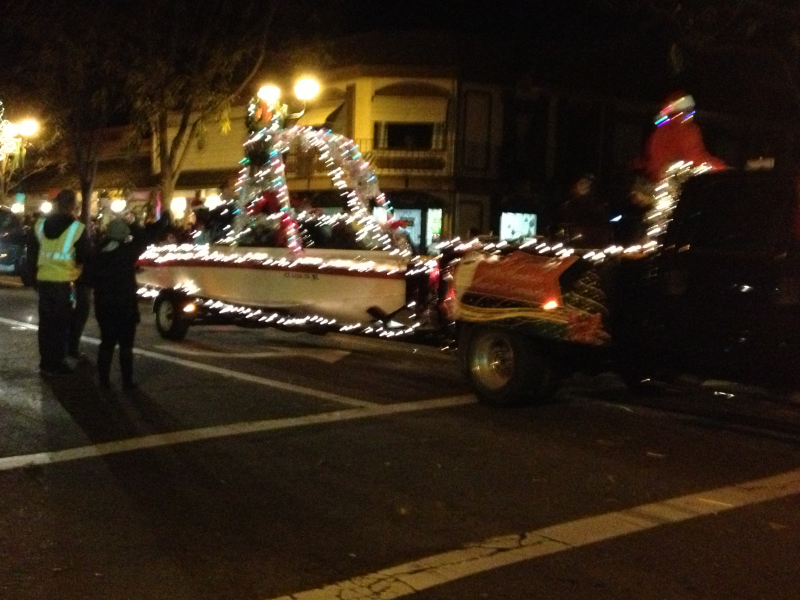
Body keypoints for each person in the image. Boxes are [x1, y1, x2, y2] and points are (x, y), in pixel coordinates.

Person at [82, 214, 169, 390]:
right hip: (125, 305)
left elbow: (87, 280)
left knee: (106, 343)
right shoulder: (127, 251)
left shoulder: (97, 252)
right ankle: (127, 382)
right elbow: (145, 237)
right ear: (123, 234)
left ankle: (104, 381)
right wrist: (134, 223)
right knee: (126, 345)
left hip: (104, 304)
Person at [30, 189, 91, 375]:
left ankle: (46, 363)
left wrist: (34, 280)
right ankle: (57, 363)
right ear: (73, 207)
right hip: (65, 283)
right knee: (61, 325)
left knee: (46, 325)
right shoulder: (77, 229)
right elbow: (86, 257)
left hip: (44, 282)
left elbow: (31, 256)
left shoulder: (39, 226)